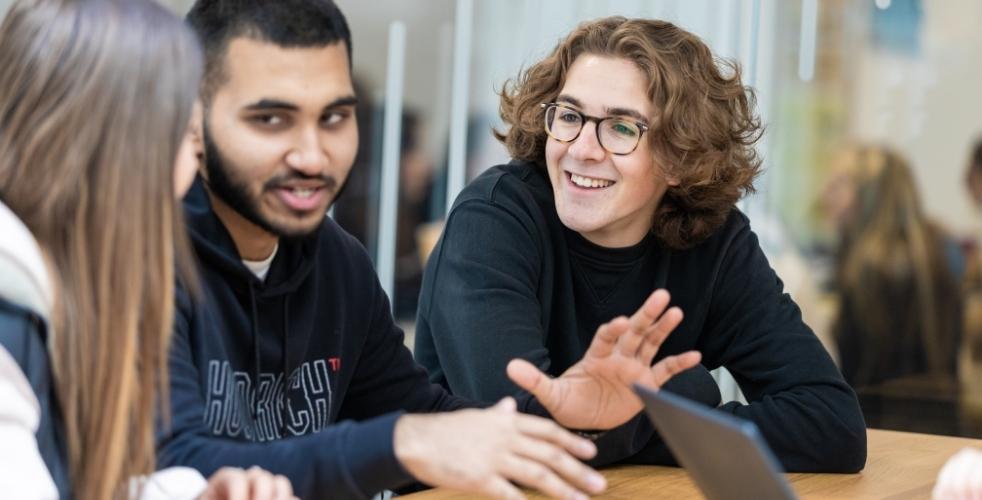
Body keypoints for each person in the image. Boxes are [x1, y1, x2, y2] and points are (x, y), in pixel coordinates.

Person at [157, 2, 701, 499]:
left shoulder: (337, 263)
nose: (311, 154)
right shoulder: (134, 259)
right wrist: (402, 441)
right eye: (270, 119)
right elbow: (175, 466)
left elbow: (426, 422)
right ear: (193, 124)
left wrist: (572, 421)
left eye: (334, 118)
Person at [414, 16, 867, 472]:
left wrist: (648, 416)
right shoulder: (494, 219)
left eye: (621, 128)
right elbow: (521, 434)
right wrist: (684, 397)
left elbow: (833, 426)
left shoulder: (712, 240)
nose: (582, 148)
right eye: (570, 116)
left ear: (679, 157)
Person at [0, 0, 295, 499]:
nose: (192, 173)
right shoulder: (11, 319)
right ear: (120, 150)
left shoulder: (50, 301)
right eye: (185, 139)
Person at [823, 145, 963, 389]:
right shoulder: (941, 249)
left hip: (878, 416)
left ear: (869, 193)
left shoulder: (868, 269)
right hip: (941, 415)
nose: (826, 194)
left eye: (839, 185)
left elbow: (856, 372)